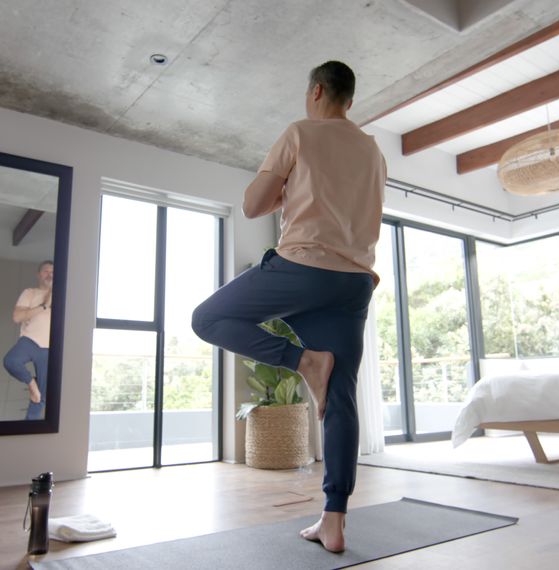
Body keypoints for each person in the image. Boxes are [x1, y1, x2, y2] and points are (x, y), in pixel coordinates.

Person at [191, 61, 386, 553]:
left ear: (316, 91)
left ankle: (303, 362)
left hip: (302, 270)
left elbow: (253, 205)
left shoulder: (300, 132)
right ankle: (334, 520)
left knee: (208, 318)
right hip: (354, 283)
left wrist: (283, 190)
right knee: (339, 398)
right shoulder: (373, 150)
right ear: (349, 98)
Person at [3, 260, 54, 420]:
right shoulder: (30, 293)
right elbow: (17, 317)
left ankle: (28, 428)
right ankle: (32, 384)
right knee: (11, 361)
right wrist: (45, 305)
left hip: (51, 349)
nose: (50, 274)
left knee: (41, 399)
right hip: (30, 340)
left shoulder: (65, 296)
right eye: (46, 271)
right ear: (39, 275)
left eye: (53, 272)